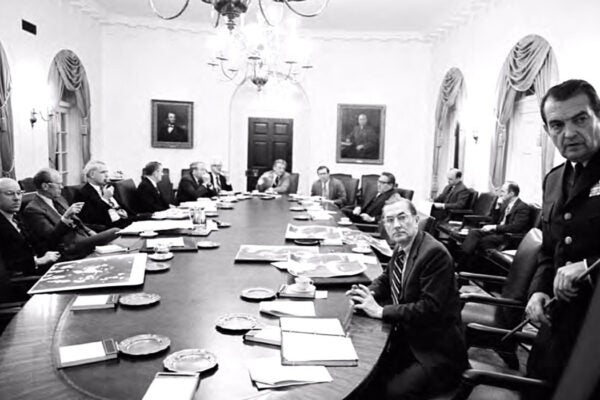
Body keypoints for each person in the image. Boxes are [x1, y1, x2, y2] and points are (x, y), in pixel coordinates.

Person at [346, 199, 468, 399]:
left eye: (402, 218)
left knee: (393, 390)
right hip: (407, 334)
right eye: (390, 220)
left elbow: (429, 309)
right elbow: (386, 279)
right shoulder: (403, 245)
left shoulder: (433, 253)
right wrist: (367, 293)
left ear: (416, 219)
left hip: (432, 348)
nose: (396, 225)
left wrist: (380, 311)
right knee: (370, 377)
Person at [524, 79, 600, 397]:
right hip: (558, 325)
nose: (568, 133)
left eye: (579, 119)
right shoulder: (554, 179)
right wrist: (538, 291)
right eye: (557, 124)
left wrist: (590, 264)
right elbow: (550, 249)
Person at [22, 168, 117, 260]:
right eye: (58, 184)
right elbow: (51, 239)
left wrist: (90, 232)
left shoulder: (59, 199)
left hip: (82, 238)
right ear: (45, 186)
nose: (62, 187)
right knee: (115, 231)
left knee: (115, 236)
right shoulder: (33, 210)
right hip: (68, 248)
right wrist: (65, 218)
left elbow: (78, 221)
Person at [458, 181, 531, 270]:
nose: (500, 194)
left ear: (511, 193)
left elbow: (515, 227)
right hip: (498, 232)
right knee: (474, 233)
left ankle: (466, 268)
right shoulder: (505, 204)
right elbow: (493, 220)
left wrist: (495, 227)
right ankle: (462, 265)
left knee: (482, 241)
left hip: (508, 236)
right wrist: (497, 207)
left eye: (503, 191)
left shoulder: (522, 207)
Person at [0, 178, 59, 275]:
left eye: (19, 193)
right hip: (20, 280)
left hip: (38, 270)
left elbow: (37, 243)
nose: (16, 198)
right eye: (9, 194)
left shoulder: (17, 217)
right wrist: (39, 261)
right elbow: (7, 264)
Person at [75, 160, 131, 231]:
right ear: (92, 174)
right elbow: (95, 219)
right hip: (108, 228)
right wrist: (105, 199)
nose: (107, 175)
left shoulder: (108, 187)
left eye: (107, 172)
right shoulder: (83, 194)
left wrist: (122, 211)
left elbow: (122, 207)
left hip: (123, 222)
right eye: (103, 172)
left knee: (146, 218)